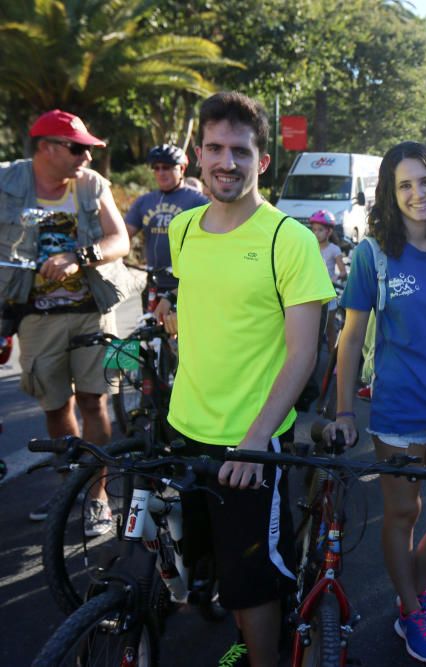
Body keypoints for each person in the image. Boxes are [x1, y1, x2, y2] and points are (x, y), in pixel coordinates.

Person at [153, 91, 335, 666]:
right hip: (185, 424)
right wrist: (174, 319)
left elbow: (302, 353)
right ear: (198, 154)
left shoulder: (290, 239)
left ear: (262, 159)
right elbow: (210, 309)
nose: (225, 161)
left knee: (251, 579)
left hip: (252, 439)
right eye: (213, 148)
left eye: (239, 149)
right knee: (207, 561)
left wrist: (255, 441)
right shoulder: (182, 229)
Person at [327, 141, 426, 664]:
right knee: (402, 514)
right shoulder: (373, 252)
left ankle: (411, 595)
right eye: (404, 185)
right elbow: (351, 337)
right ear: (389, 193)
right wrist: (345, 410)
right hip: (398, 415)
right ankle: (410, 605)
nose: (417, 194)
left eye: (425, 182)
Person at [1, 110, 133, 529]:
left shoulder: (91, 185)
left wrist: (79, 257)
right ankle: (67, 487)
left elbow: (120, 240)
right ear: (46, 148)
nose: (87, 158)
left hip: (91, 312)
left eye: (89, 149)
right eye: (78, 148)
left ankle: (96, 496)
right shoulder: (8, 182)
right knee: (55, 405)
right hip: (36, 316)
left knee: (96, 399)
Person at [124, 143, 209, 295]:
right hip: (153, 280)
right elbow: (123, 236)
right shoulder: (144, 201)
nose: (161, 172)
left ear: (182, 169)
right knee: (148, 319)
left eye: (167, 167)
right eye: (157, 168)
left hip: (183, 283)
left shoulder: (198, 201)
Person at [310, 209, 348, 354]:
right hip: (313, 293)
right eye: (314, 230)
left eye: (320, 230)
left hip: (328, 293)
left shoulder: (334, 249)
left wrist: (335, 277)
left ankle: (335, 360)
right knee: (312, 331)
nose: (316, 233)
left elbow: (343, 272)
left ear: (329, 231)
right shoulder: (310, 246)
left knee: (330, 328)